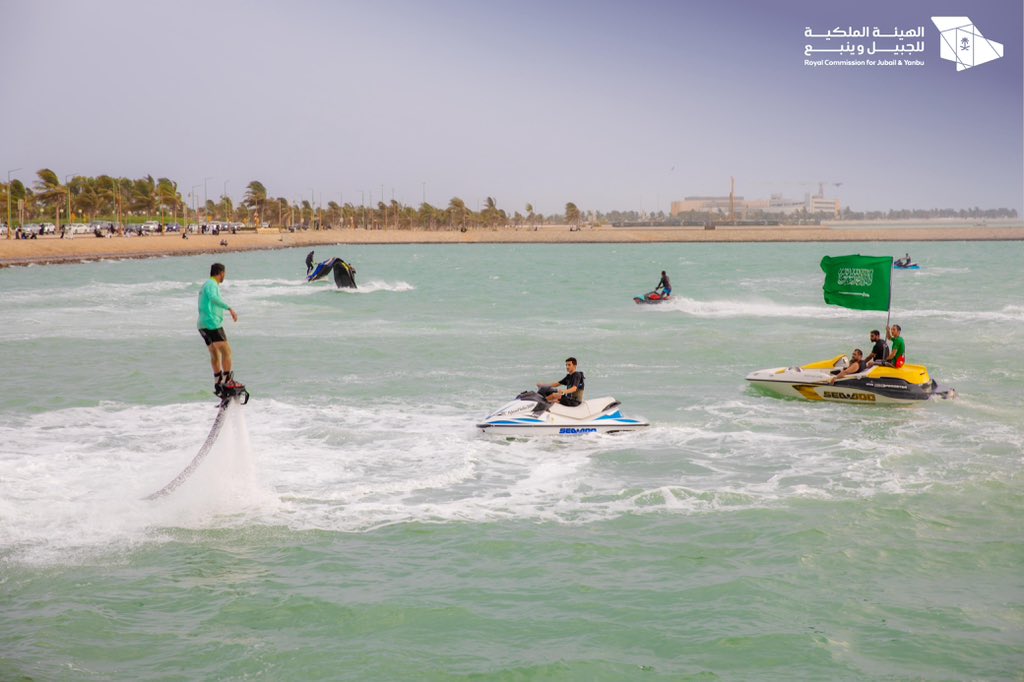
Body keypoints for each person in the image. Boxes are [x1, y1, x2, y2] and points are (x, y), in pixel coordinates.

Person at [197, 263, 241, 397]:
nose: (224, 276)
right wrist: (229, 308)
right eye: (224, 273)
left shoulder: (205, 285)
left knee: (215, 353)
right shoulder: (212, 284)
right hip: (212, 323)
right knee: (227, 351)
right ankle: (227, 381)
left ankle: (218, 382)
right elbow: (213, 298)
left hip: (202, 325)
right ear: (221, 273)